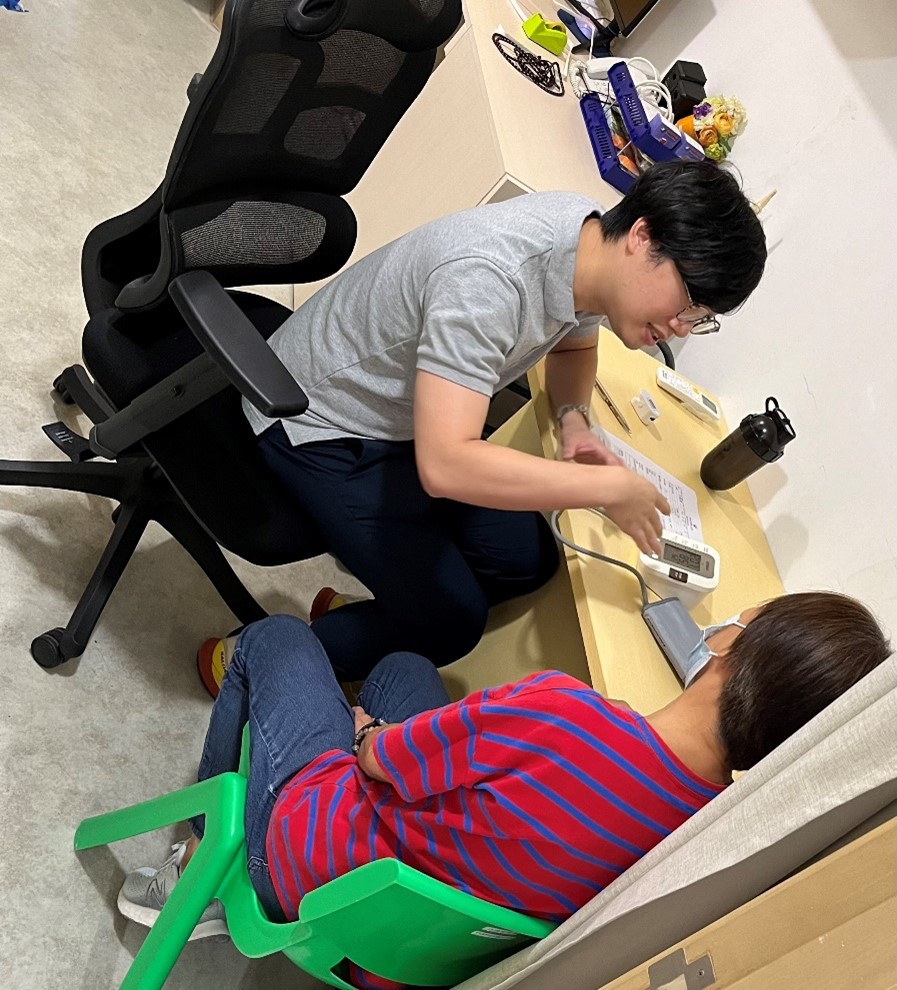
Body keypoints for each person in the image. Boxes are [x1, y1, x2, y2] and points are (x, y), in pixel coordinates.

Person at [123, 591, 891, 989]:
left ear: (730, 644)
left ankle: (200, 866)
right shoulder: (693, 841)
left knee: (278, 638)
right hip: (398, 953)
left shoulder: (561, 713)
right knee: (406, 671)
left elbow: (380, 761)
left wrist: (362, 735)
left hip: (309, 861)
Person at [199, 160, 767, 691]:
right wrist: (606, 485)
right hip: (316, 419)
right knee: (451, 624)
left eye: (700, 318)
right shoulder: (489, 279)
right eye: (689, 302)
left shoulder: (593, 247)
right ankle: (251, 658)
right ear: (643, 237)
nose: (681, 327)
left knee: (526, 559)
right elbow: (446, 465)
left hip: (405, 419)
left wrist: (573, 421)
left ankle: (368, 617)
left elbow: (573, 349)